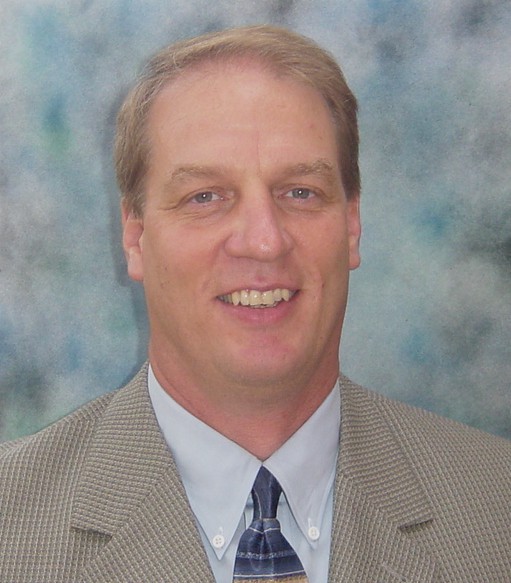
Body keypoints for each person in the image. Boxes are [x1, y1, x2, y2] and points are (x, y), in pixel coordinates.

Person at [0, 25, 509, 583]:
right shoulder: (11, 525)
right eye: (205, 197)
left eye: (300, 192)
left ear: (351, 224)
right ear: (135, 236)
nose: (264, 241)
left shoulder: (495, 505)